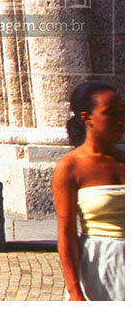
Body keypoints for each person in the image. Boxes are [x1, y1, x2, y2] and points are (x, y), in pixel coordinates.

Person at [52, 80, 124, 301]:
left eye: (122, 112)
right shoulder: (70, 167)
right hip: (102, 266)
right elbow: (66, 233)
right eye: (111, 114)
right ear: (87, 117)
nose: (121, 120)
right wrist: (74, 291)